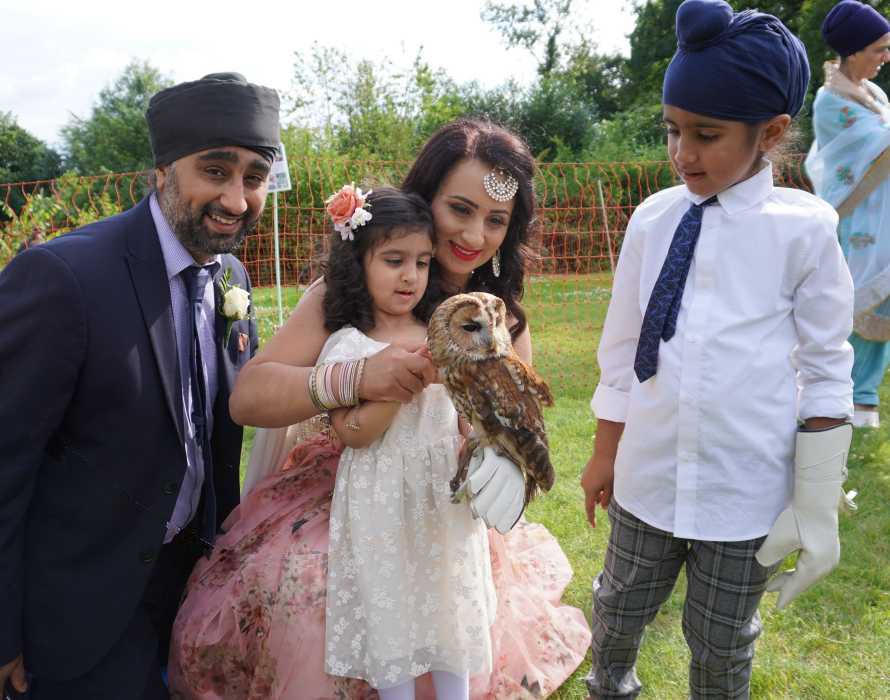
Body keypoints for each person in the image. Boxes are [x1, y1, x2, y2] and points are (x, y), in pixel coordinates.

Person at [168, 119, 590, 699]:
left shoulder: (499, 319)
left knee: (459, 598)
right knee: (320, 584)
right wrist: (361, 377)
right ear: (425, 200)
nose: (474, 234)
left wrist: (495, 451)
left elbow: (512, 432)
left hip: (446, 507)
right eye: (459, 209)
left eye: (496, 220)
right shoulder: (350, 293)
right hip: (348, 487)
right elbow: (250, 395)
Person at [580, 2, 856, 698]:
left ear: (771, 132)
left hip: (745, 492)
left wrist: (817, 501)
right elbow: (622, 348)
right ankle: (610, 685)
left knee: (724, 643)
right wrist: (606, 451)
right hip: (649, 480)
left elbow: (827, 369)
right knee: (616, 611)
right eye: (673, 131)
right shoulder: (652, 220)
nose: (684, 153)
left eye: (706, 134)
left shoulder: (805, 232)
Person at [0, 72, 279, 699]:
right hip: (81, 609)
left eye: (254, 177)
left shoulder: (231, 275)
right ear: (161, 170)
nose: (237, 199)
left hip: (193, 590)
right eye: (215, 171)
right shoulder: (62, 277)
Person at [806, 0, 890, 429]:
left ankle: (865, 396)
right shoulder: (830, 101)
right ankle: (850, 394)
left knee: (885, 300)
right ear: (854, 51)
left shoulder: (873, 94)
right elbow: (871, 148)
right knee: (858, 299)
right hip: (859, 218)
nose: (886, 57)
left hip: (885, 216)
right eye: (879, 48)